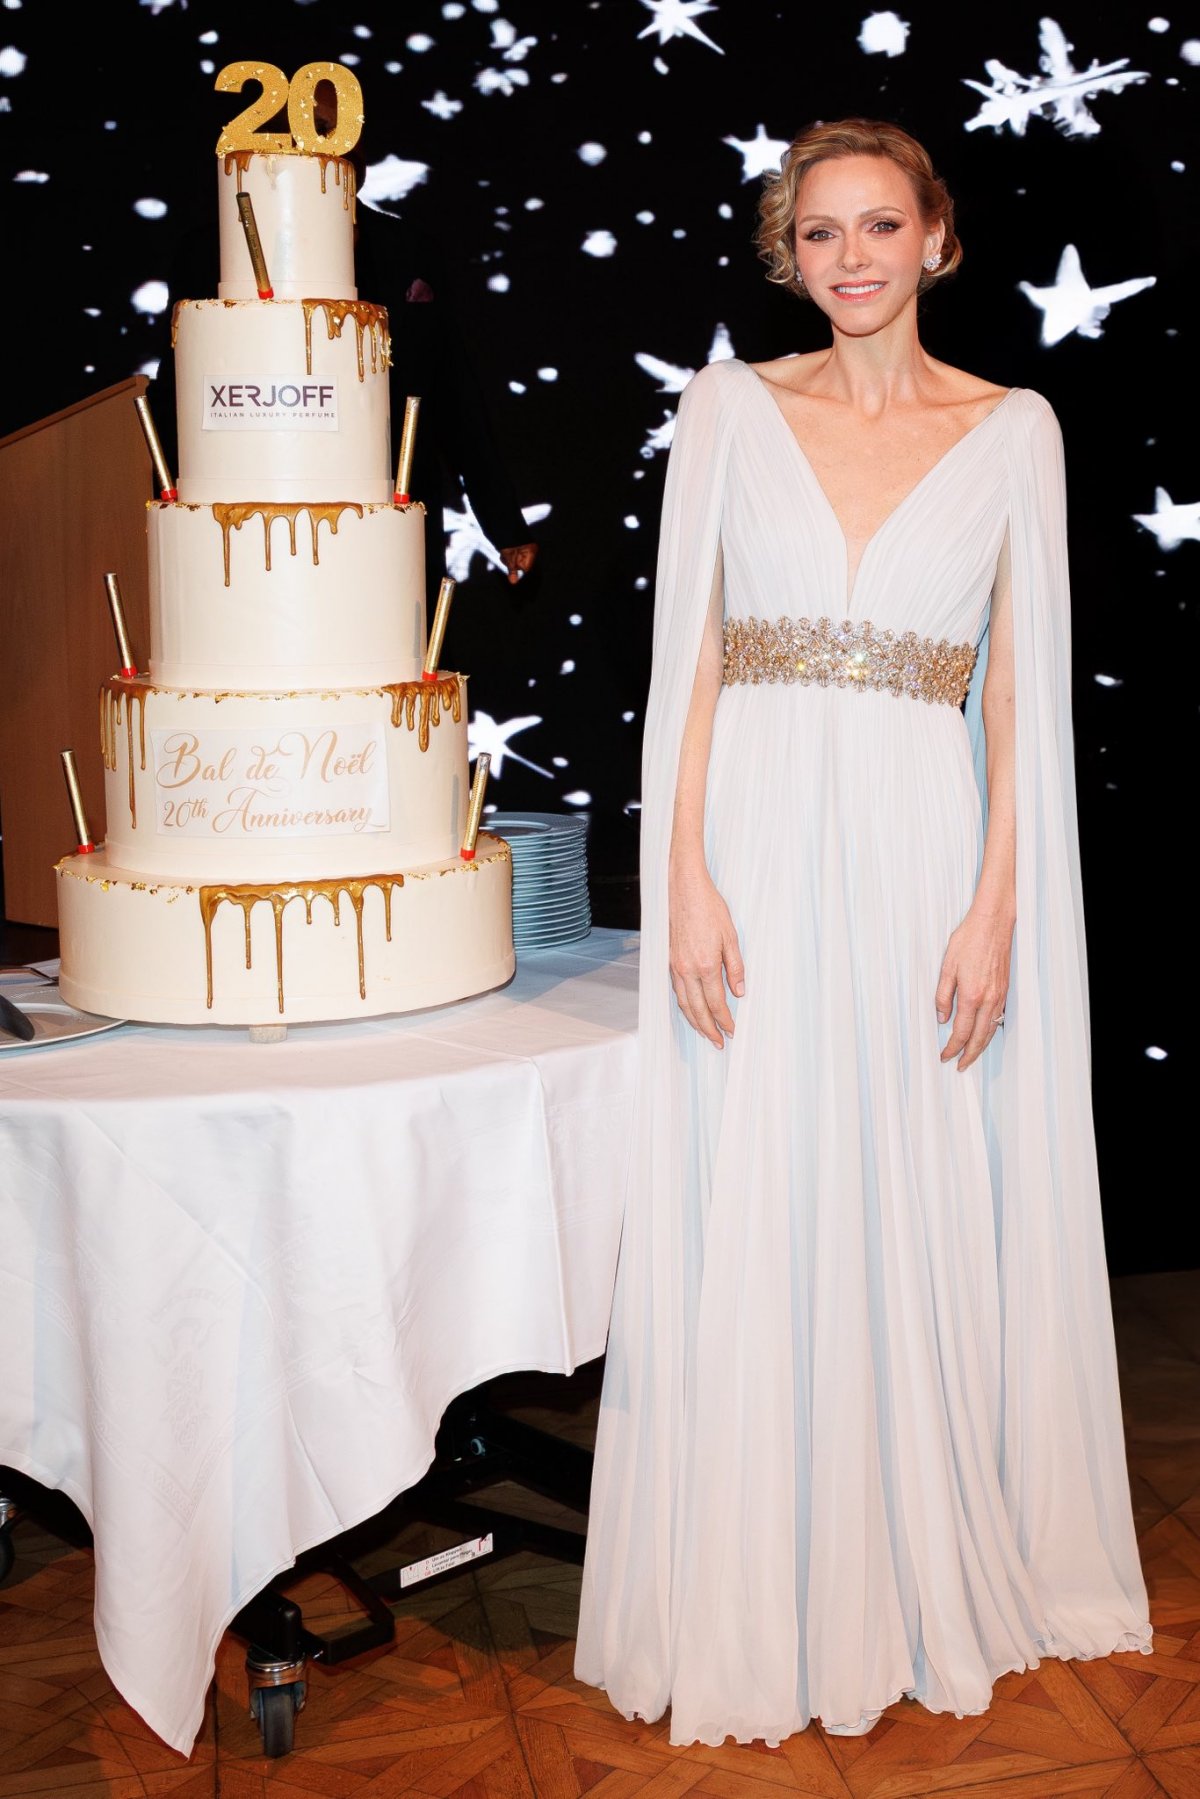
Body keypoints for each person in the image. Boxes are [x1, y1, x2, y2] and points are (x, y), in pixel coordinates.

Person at [572, 117, 1152, 1748]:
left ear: (938, 238)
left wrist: (1000, 902)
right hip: (751, 834)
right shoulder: (728, 410)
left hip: (921, 851)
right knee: (762, 1176)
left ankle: (909, 1559)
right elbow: (686, 661)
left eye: (878, 225)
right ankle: (754, 1578)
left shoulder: (1013, 428)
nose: (849, 258)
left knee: (912, 1177)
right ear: (787, 249)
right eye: (818, 232)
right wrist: (678, 867)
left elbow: (1021, 695)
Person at [150, 83, 538, 606]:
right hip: (249, 521)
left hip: (391, 511)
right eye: (305, 134)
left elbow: (454, 394)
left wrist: (505, 524)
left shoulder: (409, 250)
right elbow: (176, 383)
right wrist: (163, 507)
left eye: (335, 134)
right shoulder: (209, 250)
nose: (322, 148)